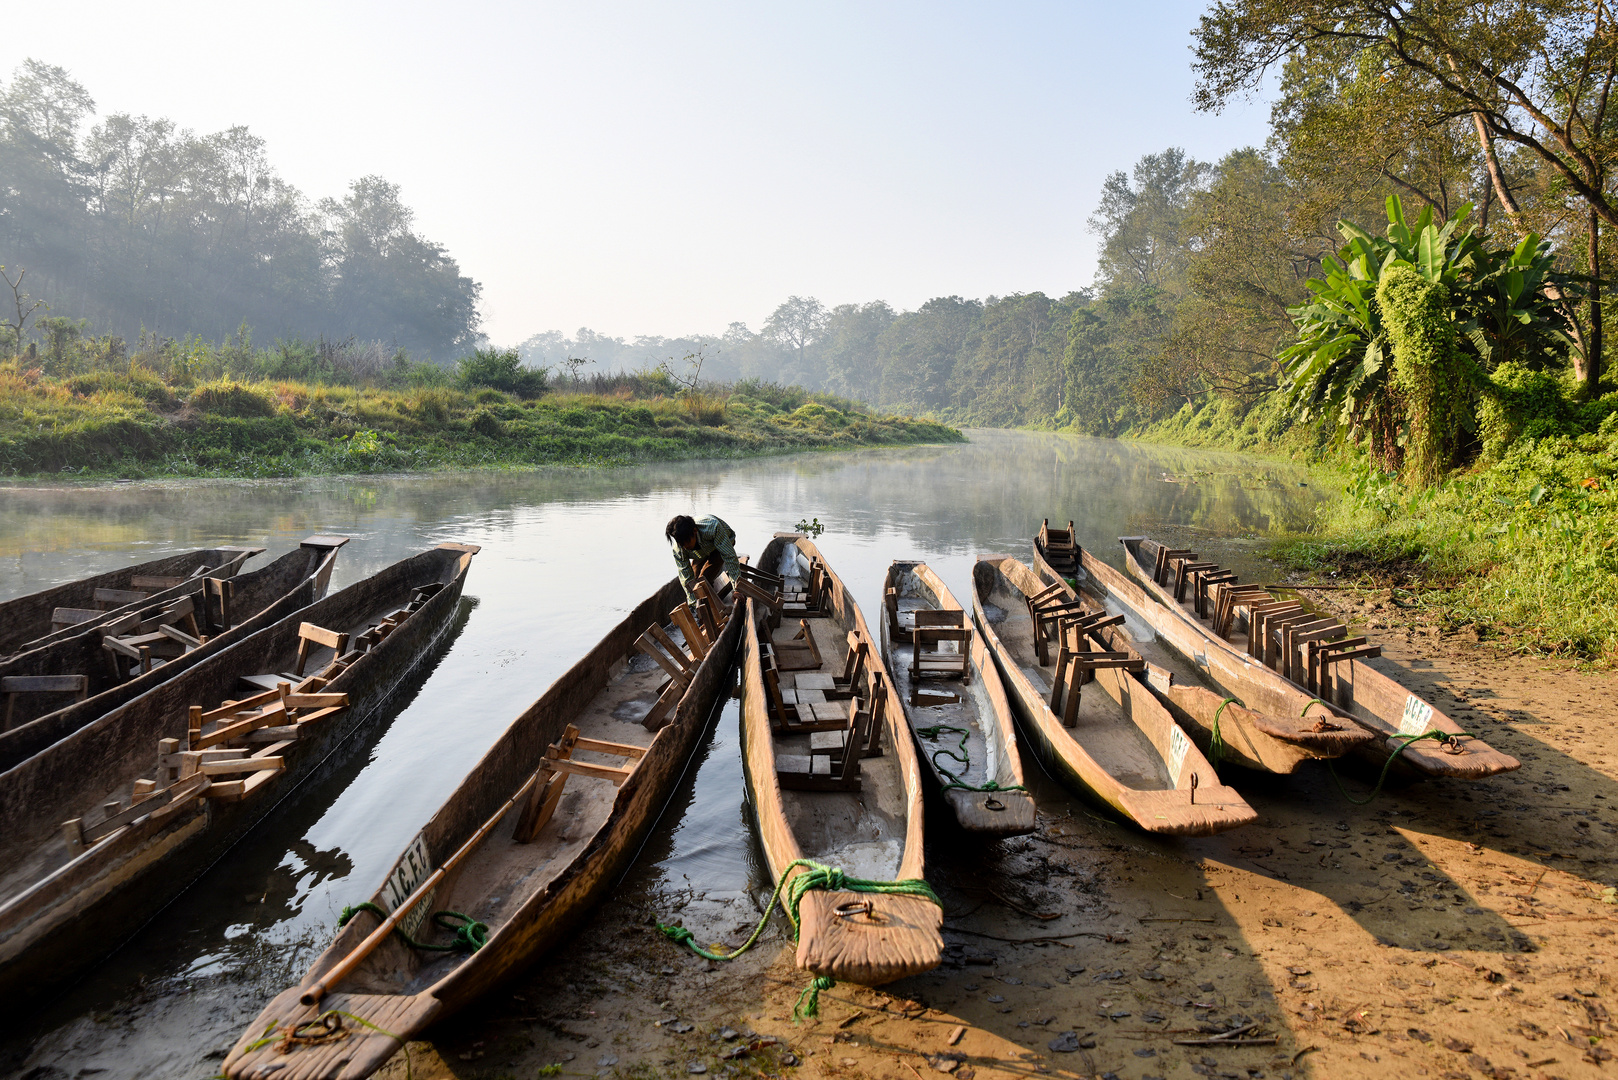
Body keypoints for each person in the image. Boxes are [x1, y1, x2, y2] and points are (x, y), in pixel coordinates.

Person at [666, 513, 741, 605]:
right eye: (682, 545)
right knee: (694, 582)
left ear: (695, 531)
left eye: (687, 542)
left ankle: (711, 600)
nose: (685, 547)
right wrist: (694, 604)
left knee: (704, 578)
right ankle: (703, 601)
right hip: (700, 551)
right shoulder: (679, 549)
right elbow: (686, 577)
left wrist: (737, 589)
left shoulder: (713, 528)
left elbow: (730, 558)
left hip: (722, 542)